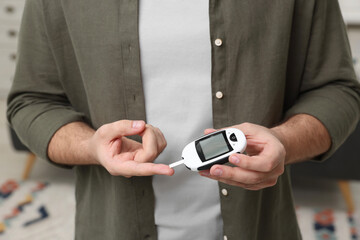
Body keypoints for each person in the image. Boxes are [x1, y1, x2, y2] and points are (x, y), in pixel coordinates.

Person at [7, 0, 360, 239]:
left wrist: (284, 141)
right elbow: (31, 101)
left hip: (261, 227)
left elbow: (338, 91)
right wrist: (90, 145)